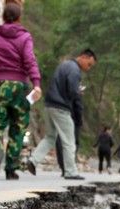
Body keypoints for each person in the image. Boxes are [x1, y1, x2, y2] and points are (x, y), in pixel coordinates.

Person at [0, 2, 42, 180]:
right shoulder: (25, 37)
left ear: (3, 16)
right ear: (19, 17)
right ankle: (11, 168)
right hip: (20, 86)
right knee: (18, 126)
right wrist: (36, 83)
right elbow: (30, 60)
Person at [26, 49, 97, 180]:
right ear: (84, 57)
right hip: (61, 108)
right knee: (69, 141)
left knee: (50, 137)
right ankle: (71, 172)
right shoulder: (75, 70)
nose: (88, 68)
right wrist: (78, 92)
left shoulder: (64, 65)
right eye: (89, 64)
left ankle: (33, 161)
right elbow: (72, 90)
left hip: (49, 105)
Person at [55, 96, 82, 176]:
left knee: (60, 143)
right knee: (72, 144)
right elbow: (78, 107)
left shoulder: (59, 88)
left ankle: (63, 167)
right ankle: (69, 167)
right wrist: (79, 121)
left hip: (59, 115)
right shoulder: (74, 90)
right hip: (72, 119)